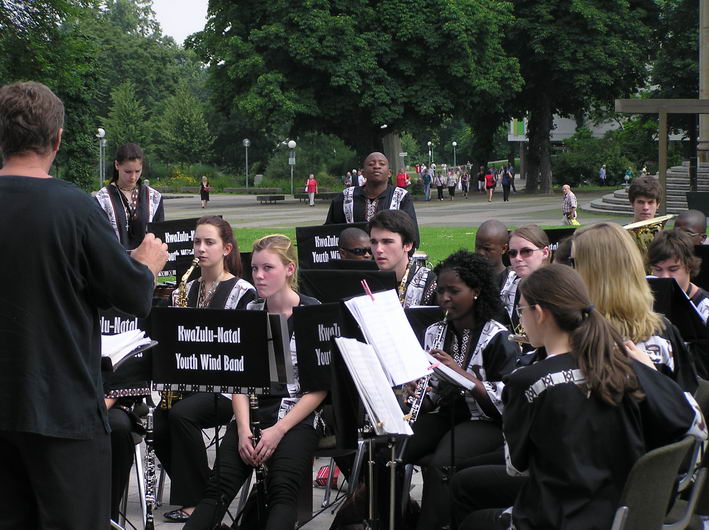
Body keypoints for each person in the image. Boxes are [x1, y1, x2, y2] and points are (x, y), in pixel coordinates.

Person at [0, 81, 168, 528]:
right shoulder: (74, 208)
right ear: (57, 139)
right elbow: (132, 296)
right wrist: (147, 264)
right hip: (62, 408)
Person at [458, 264, 706, 530]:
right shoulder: (625, 366)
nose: (521, 318)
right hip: (624, 511)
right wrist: (650, 372)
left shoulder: (527, 382)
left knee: (472, 518)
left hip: (560, 518)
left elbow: (517, 468)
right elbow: (695, 425)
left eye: (521, 310)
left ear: (539, 313)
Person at [185, 234, 326, 529]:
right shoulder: (249, 313)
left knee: (282, 491)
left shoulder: (313, 312)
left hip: (298, 415)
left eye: (268, 268)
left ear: (289, 269)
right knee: (217, 489)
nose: (259, 276)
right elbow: (239, 380)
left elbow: (319, 388)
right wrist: (244, 428)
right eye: (255, 269)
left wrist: (278, 430)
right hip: (254, 411)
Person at [402, 250, 520, 530]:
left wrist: (461, 375)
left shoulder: (498, 336)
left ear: (476, 291)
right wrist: (416, 389)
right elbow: (430, 399)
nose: (444, 298)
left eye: (454, 291)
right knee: (391, 449)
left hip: (486, 421)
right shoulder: (434, 332)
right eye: (441, 291)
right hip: (446, 415)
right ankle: (398, 517)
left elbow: (507, 402)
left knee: (442, 464)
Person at [155, 216, 257, 522]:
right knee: (157, 422)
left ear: (226, 248)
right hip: (191, 381)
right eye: (197, 242)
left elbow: (246, 353)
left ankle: (198, 501)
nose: (200, 248)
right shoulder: (187, 287)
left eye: (209, 242)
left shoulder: (243, 293)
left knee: (181, 415)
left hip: (229, 387)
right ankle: (205, 487)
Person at [573, 222, 698, 391]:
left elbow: (690, 409)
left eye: (574, 263)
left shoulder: (664, 332)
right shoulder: (663, 329)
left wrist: (652, 378)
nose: (570, 272)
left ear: (595, 273)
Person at [326, 152, 419, 245]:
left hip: (390, 257)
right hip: (354, 257)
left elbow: (411, 235)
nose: (376, 166)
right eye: (371, 164)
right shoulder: (346, 197)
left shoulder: (401, 197)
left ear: (389, 173)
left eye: (382, 164)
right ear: (363, 173)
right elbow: (329, 233)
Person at [95, 143, 165, 250]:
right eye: (128, 172)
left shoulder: (154, 197)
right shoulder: (102, 199)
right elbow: (98, 239)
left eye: (137, 171)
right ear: (117, 165)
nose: (133, 177)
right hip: (114, 263)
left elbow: (159, 236)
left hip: (146, 263)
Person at [368, 209, 436, 307]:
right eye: (373, 242)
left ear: (408, 245)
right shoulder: (366, 282)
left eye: (387, 242)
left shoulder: (430, 283)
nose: (378, 249)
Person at [647, 230, 709, 323]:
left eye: (673, 269)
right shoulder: (644, 296)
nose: (664, 277)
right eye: (658, 269)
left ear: (689, 266)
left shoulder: (705, 307)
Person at [501, 225, 550, 331]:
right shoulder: (507, 288)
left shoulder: (558, 291)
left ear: (545, 252)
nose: (518, 258)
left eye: (526, 251)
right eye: (512, 253)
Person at [474, 220, 510, 289]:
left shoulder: (511, 283)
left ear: (504, 249)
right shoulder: (467, 277)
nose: (480, 253)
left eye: (487, 249)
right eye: (477, 247)